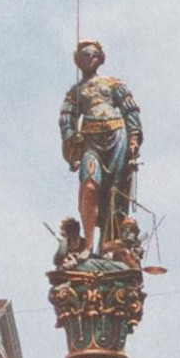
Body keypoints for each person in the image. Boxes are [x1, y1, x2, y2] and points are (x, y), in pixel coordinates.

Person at [59, 40, 143, 256]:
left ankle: (108, 243)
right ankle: (87, 244)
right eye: (85, 55)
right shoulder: (75, 93)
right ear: (78, 61)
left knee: (114, 190)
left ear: (100, 58)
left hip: (117, 137)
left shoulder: (113, 83)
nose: (89, 59)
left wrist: (133, 138)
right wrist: (72, 145)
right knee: (89, 187)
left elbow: (130, 109)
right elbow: (67, 119)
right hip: (91, 142)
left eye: (93, 55)